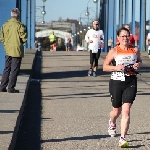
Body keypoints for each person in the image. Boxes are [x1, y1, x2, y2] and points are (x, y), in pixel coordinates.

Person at [103, 27, 142, 148]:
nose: (125, 38)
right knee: (116, 111)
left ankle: (122, 138)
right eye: (123, 36)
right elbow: (105, 67)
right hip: (116, 82)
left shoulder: (135, 50)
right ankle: (112, 122)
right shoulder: (114, 51)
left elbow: (140, 61)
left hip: (130, 81)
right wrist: (115, 68)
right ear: (118, 38)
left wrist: (138, 65)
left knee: (126, 110)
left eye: (127, 36)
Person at [0, 8, 27, 93]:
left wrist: (6, 45)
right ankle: (11, 87)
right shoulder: (20, 26)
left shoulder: (5, 25)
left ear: (11, 15)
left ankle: (2, 86)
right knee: (15, 69)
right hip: (17, 50)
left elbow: (2, 38)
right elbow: (24, 38)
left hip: (8, 49)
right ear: (18, 15)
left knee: (7, 68)